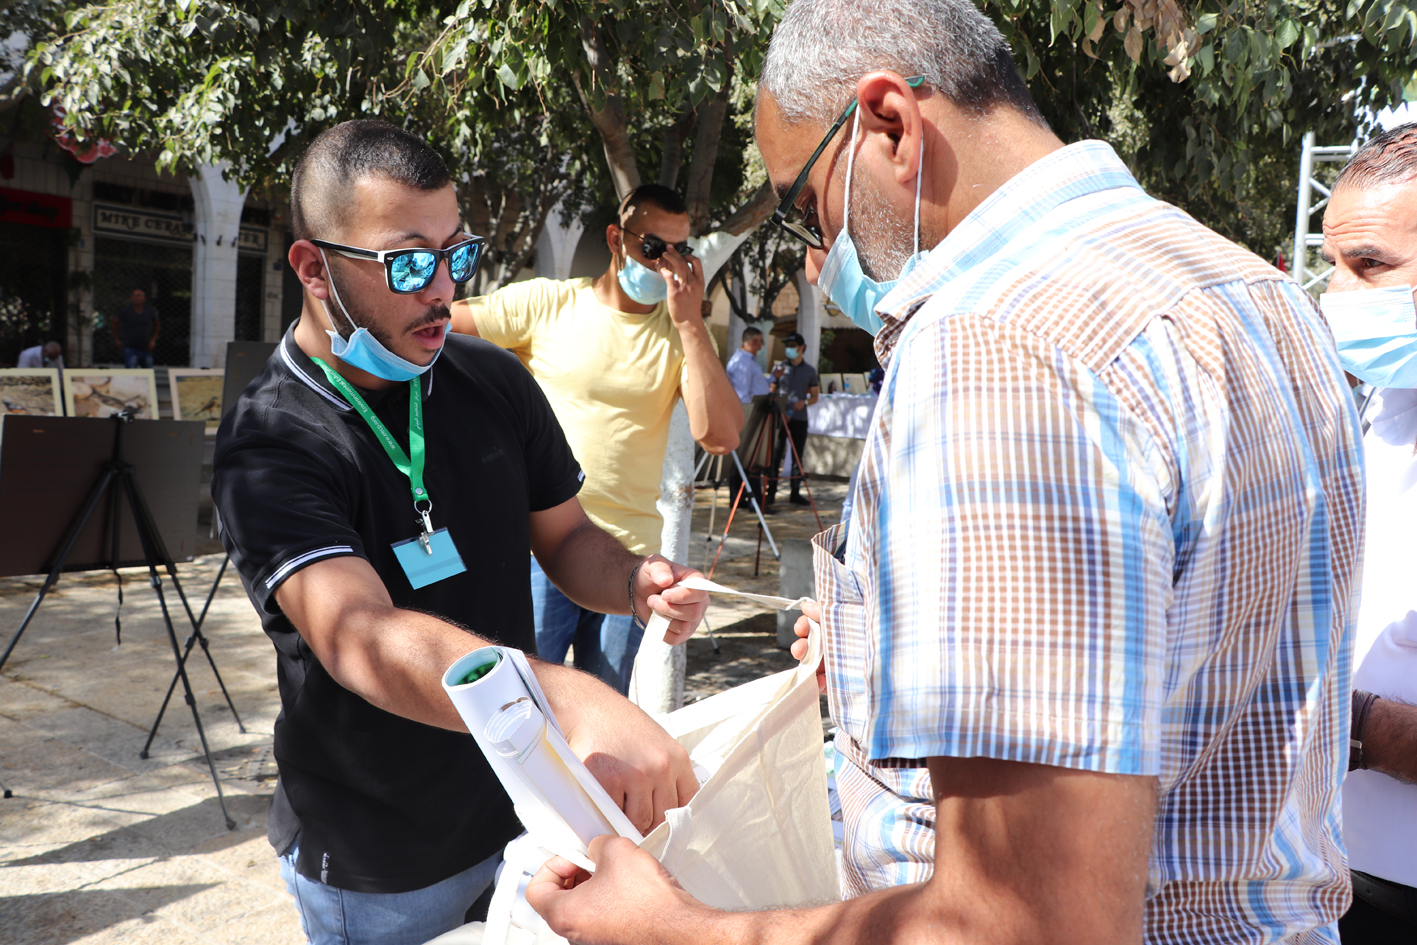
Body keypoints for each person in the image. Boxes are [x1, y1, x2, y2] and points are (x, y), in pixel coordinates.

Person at [524, 2, 1363, 943]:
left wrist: (666, 926)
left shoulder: (996, 346)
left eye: (807, 203)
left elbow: (1023, 921)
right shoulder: (1255, 290)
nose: (820, 251)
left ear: (888, 123)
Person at [212, 120, 708, 945]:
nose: (442, 289)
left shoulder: (492, 380)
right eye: (409, 262)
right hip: (380, 854)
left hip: (522, 814)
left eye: (455, 255)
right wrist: (568, 698)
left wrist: (630, 579)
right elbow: (359, 635)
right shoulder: (270, 439)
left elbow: (565, 539)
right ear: (314, 268)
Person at [449, 184, 741, 694]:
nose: (667, 263)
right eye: (654, 247)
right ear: (615, 239)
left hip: (628, 561)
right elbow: (434, 332)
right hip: (538, 551)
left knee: (603, 714)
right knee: (521, 703)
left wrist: (692, 322)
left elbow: (720, 435)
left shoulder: (680, 333)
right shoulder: (549, 303)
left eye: (681, 249)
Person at [1317, 123, 1417, 942]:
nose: (1338, 295)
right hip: (1337, 869)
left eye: (1370, 265)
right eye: (1332, 265)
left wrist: (1346, 722)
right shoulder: (1381, 404)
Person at [765, 330, 818, 509]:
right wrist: (779, 409)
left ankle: (795, 493)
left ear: (802, 348)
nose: (789, 348)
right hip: (780, 418)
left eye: (792, 346)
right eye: (787, 346)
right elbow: (772, 391)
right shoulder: (779, 368)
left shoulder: (810, 371)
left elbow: (815, 396)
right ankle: (771, 493)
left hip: (800, 419)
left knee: (797, 456)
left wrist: (804, 402)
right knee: (775, 455)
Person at [110, 288, 159, 368]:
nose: (135, 298)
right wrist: (116, 339)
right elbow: (114, 323)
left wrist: (153, 340)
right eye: (133, 295)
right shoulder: (126, 311)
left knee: (148, 371)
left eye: (138, 296)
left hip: (146, 347)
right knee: (131, 371)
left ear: (144, 298)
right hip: (130, 348)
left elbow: (157, 324)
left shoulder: (150, 311)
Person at [726, 326, 771, 403]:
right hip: (749, 408)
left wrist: (773, 377)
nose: (761, 347)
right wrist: (747, 410)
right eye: (761, 342)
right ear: (755, 342)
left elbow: (756, 383)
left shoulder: (746, 361)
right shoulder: (742, 362)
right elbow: (742, 395)